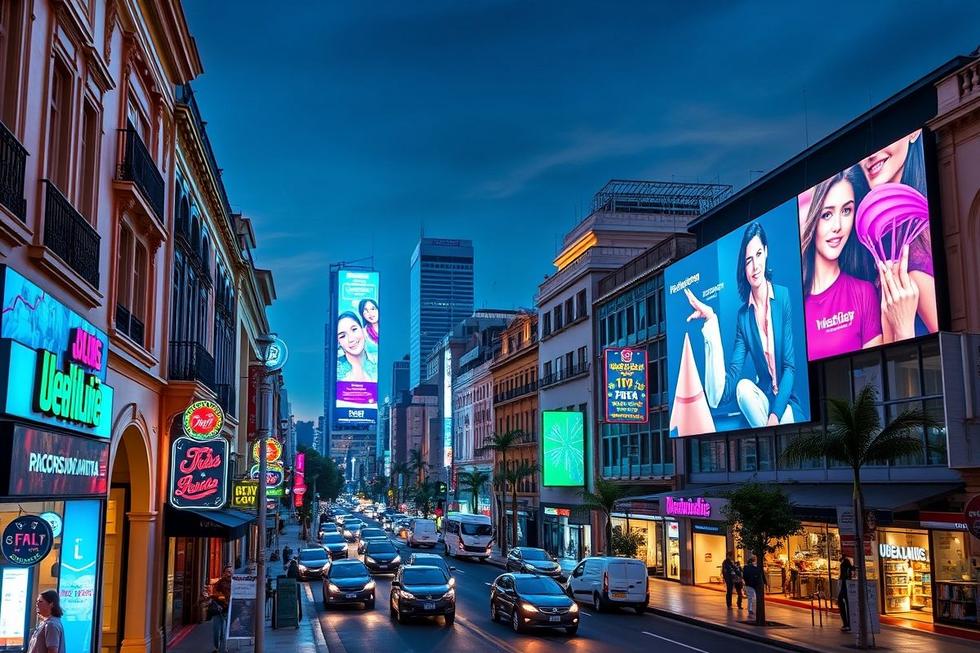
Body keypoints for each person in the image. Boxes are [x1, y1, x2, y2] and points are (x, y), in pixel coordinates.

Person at [684, 221, 803, 428]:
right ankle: (770, 437)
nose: (755, 266)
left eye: (758, 255)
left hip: (785, 404)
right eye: (748, 260)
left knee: (783, 419)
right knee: (743, 387)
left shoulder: (783, 296)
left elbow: (790, 368)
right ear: (744, 267)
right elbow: (730, 383)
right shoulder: (744, 317)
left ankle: (772, 433)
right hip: (762, 402)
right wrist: (711, 321)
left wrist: (774, 415)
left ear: (766, 252)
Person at [857, 130, 937, 335]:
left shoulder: (916, 259)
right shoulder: (877, 245)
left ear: (913, 133)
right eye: (862, 146)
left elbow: (957, 348)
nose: (870, 155)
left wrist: (902, 326)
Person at [800, 170, 884, 360]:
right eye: (827, 215)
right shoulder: (793, 304)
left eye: (846, 211)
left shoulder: (863, 293)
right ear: (814, 218)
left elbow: (875, 370)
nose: (837, 226)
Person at [336, 311, 378, 383]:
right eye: (343, 336)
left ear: (362, 330)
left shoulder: (379, 361)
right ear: (339, 343)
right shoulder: (336, 369)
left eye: (354, 329)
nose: (351, 339)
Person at [208, 565, 232, 653]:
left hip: (229, 609)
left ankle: (223, 648)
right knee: (217, 630)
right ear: (224, 573)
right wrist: (221, 600)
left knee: (225, 630)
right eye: (228, 572)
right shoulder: (219, 583)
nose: (229, 573)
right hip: (219, 609)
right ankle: (216, 647)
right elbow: (214, 594)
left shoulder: (235, 583)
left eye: (231, 572)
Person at [742, 556, 764, 621]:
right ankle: (751, 609)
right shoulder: (755, 568)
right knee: (752, 597)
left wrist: (746, 582)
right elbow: (758, 575)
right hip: (753, 584)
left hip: (749, 584)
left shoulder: (746, 568)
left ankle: (750, 609)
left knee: (750, 597)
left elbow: (744, 576)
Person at [838, 556, 854, 632]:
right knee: (847, 604)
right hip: (847, 586)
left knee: (842, 603)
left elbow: (844, 575)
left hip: (845, 586)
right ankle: (848, 624)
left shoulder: (845, 562)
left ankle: (847, 624)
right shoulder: (847, 562)